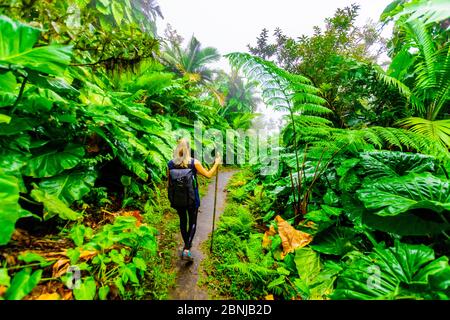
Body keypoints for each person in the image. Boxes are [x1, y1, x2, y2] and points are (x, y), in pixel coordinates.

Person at [167, 138, 220, 261]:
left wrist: (172, 197)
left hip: (177, 199)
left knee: (182, 221)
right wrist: (216, 163)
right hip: (192, 198)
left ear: (177, 148)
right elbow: (208, 175)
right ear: (188, 149)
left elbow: (168, 183)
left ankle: (186, 246)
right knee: (193, 222)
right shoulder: (194, 163)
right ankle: (186, 249)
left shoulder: (170, 164)